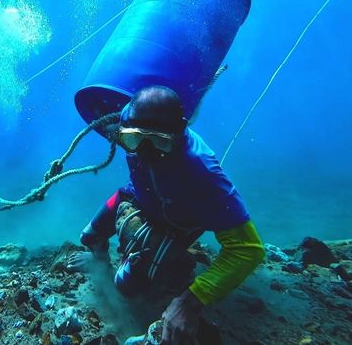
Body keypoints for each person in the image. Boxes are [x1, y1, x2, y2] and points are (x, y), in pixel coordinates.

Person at [68, 86, 265, 344]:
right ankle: (99, 259)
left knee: (127, 285)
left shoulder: (202, 173)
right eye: (135, 140)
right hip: (134, 198)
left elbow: (248, 249)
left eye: (159, 142)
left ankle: (171, 265)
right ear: (123, 129)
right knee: (90, 236)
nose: (146, 153)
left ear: (180, 129)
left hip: (176, 224)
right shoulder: (125, 121)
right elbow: (113, 119)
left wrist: (190, 302)